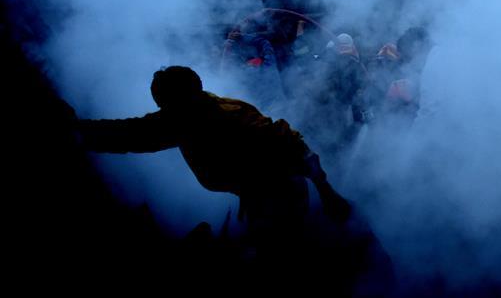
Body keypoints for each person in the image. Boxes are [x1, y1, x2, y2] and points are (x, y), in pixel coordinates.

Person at [76, 67, 351, 246]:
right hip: (261, 193)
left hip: (278, 195)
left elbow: (293, 145)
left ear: (178, 99)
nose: (161, 110)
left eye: (164, 103)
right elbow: (133, 132)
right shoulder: (192, 111)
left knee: (279, 252)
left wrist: (328, 193)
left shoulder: (221, 117)